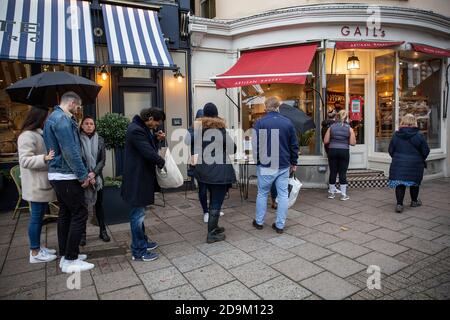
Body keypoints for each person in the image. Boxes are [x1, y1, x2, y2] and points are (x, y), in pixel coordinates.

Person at [43, 91, 95, 273]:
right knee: (80, 213)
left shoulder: (53, 118)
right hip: (66, 175)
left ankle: (66, 255)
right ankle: (71, 259)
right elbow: (70, 151)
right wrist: (83, 176)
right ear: (72, 103)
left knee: (65, 213)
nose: (78, 110)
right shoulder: (63, 120)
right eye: (78, 107)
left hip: (57, 175)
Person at [121, 107, 166, 261]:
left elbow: (146, 145)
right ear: (150, 118)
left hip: (140, 178)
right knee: (137, 216)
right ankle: (139, 251)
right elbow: (147, 151)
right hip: (137, 180)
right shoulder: (136, 130)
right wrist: (162, 162)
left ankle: (143, 242)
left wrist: (156, 139)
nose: (157, 126)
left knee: (139, 214)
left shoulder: (140, 127)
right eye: (156, 123)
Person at [252, 97, 299, 234]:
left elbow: (256, 145)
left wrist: (258, 161)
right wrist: (294, 162)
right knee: (283, 195)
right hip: (284, 164)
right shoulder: (288, 123)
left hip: (266, 164)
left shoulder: (260, 123)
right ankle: (280, 225)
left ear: (266, 108)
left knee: (262, 193)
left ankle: (259, 222)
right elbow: (294, 145)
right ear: (278, 107)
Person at [18, 107, 58, 264]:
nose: (48, 119)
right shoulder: (27, 136)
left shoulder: (37, 133)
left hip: (40, 183)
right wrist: (45, 158)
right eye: (47, 116)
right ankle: (34, 252)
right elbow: (25, 160)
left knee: (39, 217)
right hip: (35, 185)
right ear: (39, 117)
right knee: (35, 218)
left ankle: (38, 247)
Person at [194, 102, 236, 243]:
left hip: (203, 170)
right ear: (216, 114)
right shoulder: (220, 129)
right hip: (218, 171)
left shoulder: (197, 129)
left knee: (212, 198)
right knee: (216, 201)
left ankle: (214, 226)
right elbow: (232, 149)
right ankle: (211, 234)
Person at [185, 109, 225, 223]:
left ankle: (213, 209)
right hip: (198, 161)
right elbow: (187, 140)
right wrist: (198, 129)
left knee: (213, 187)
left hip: (212, 161)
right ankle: (206, 212)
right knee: (202, 189)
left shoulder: (212, 127)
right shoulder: (194, 127)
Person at [388, 114, 430, 213]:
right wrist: (420, 158)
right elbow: (425, 151)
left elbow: (390, 150)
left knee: (400, 183)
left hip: (399, 163)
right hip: (415, 164)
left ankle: (399, 204)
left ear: (403, 121)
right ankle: (414, 201)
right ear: (414, 122)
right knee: (414, 182)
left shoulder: (396, 135)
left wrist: (397, 158)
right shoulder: (419, 135)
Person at [79, 116, 110, 244]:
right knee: (83, 207)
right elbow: (78, 159)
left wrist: (94, 173)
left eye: (92, 124)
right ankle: (82, 234)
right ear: (81, 126)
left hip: (97, 177)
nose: (89, 126)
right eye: (86, 123)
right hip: (82, 177)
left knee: (99, 205)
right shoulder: (77, 139)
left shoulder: (100, 140)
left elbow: (102, 160)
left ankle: (103, 231)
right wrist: (87, 175)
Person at [324, 110, 356, 201]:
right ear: (346, 118)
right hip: (344, 151)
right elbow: (352, 143)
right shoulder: (349, 128)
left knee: (333, 171)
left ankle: (331, 194)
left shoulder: (331, 127)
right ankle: (343, 195)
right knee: (342, 173)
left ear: (337, 117)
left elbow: (326, 141)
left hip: (332, 150)